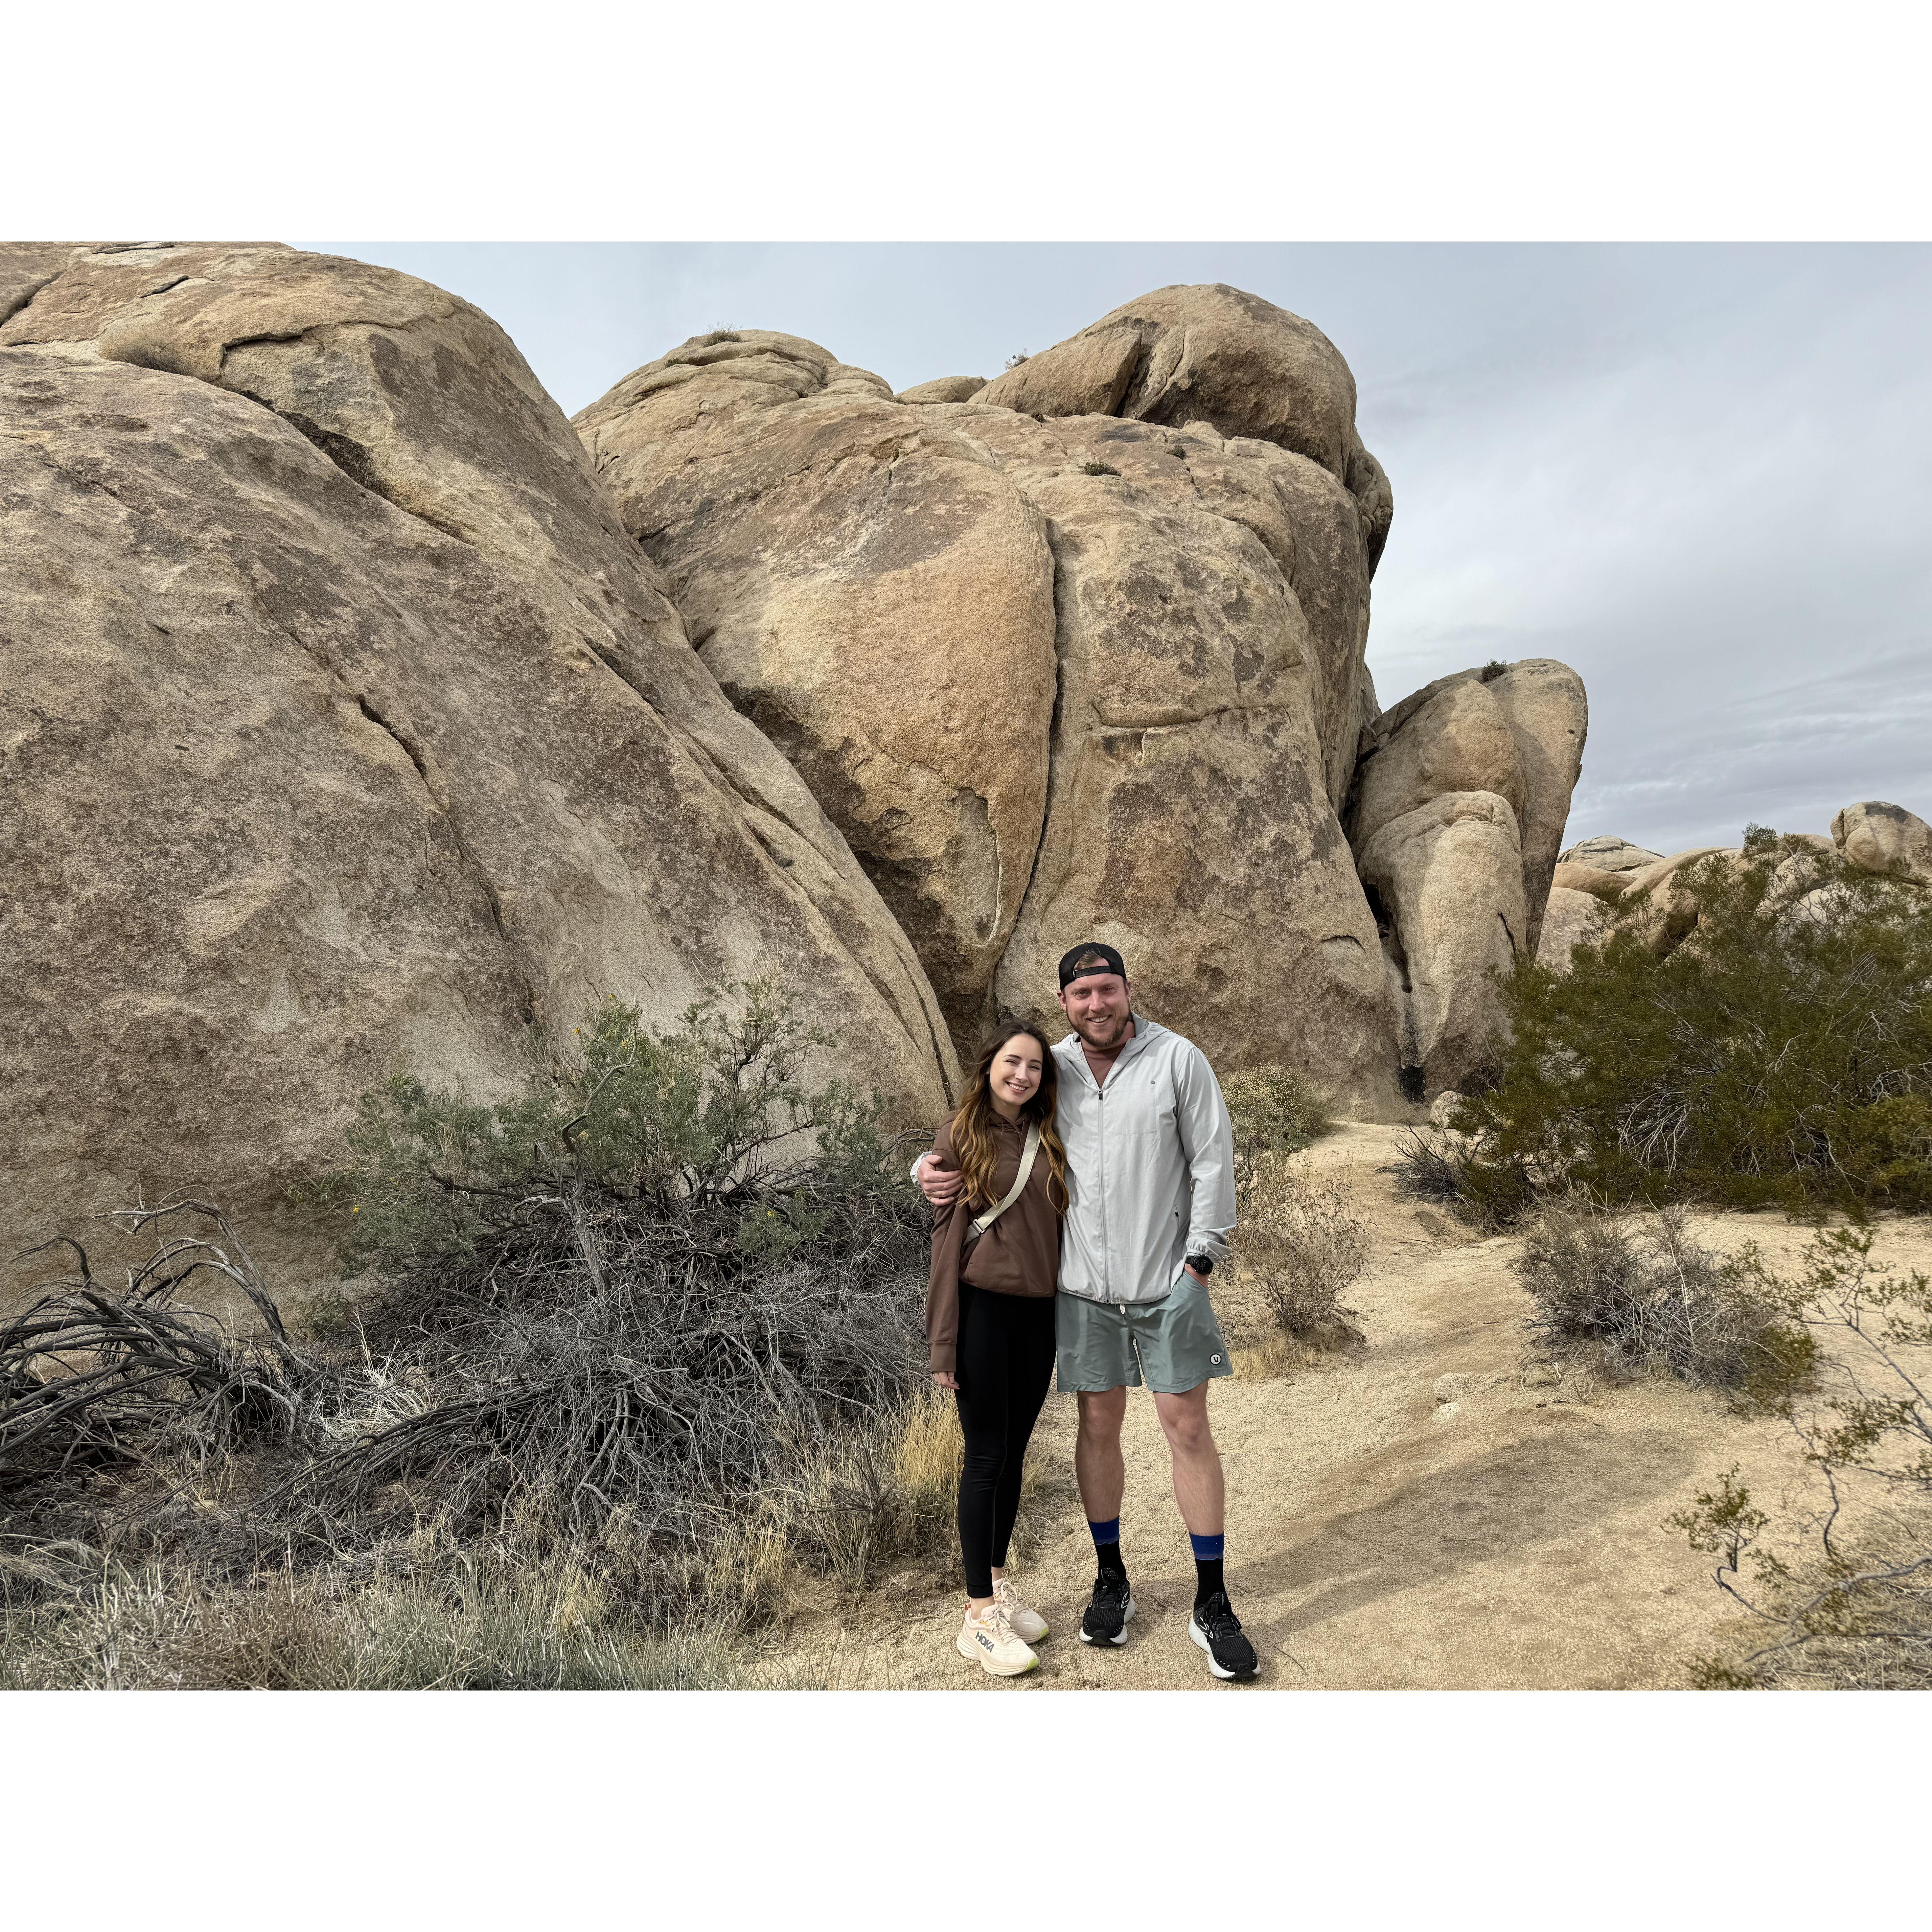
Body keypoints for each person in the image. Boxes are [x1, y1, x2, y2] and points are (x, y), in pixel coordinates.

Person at [917, 943, 1259, 1681]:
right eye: (1082, 994)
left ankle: (1212, 1599)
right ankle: (1111, 1579)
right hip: (1080, 1294)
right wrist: (927, 1165)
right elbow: (989, 1124)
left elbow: (1212, 1159)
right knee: (1097, 1429)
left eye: (1107, 989)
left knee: (1188, 1429)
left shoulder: (1178, 1060)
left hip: (1168, 1283)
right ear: (1065, 1003)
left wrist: (1200, 1263)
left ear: (1127, 990)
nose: (1096, 1004)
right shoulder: (1056, 1069)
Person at [924, 1020, 1070, 1678]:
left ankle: (998, 1581)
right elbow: (944, 1242)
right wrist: (944, 1343)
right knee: (985, 1457)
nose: (1022, 1075)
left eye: (1035, 1066)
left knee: (1013, 1455)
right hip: (982, 1311)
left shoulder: (1051, 1133)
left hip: (1038, 1315)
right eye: (1013, 1062)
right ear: (989, 1067)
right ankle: (978, 1614)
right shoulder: (960, 1134)